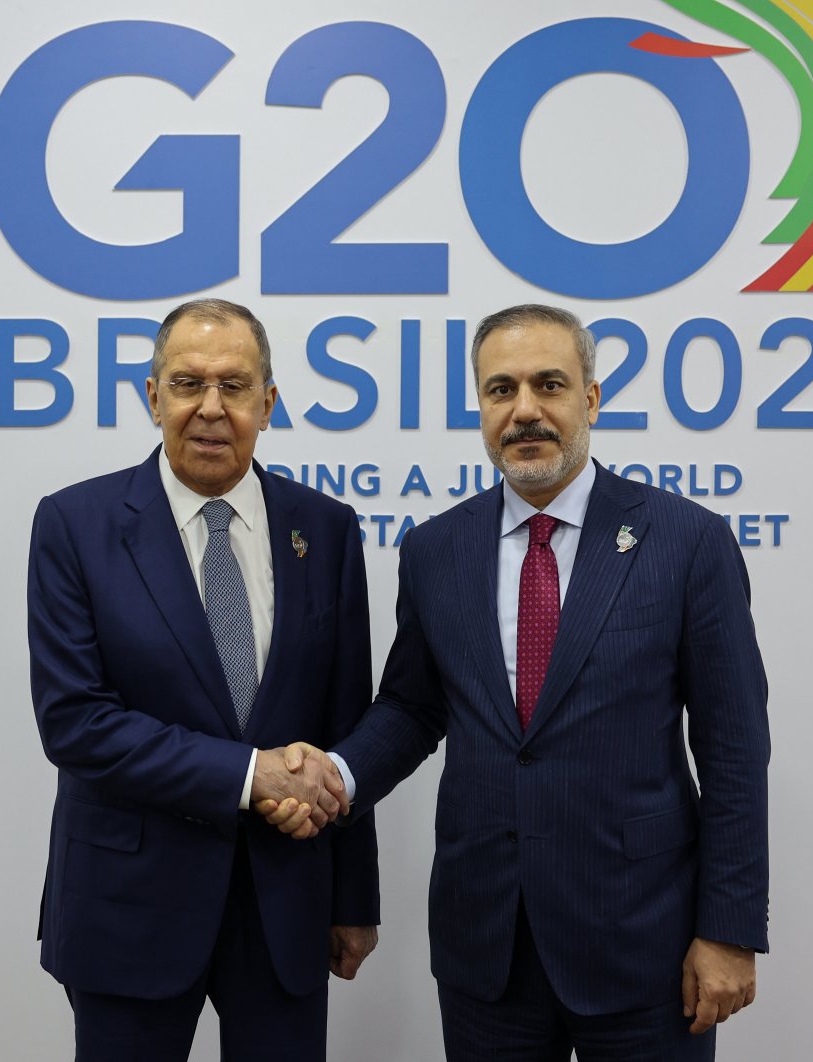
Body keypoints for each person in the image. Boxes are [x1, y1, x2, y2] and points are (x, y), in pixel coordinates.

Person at [264, 304, 769, 1060]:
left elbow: (733, 748)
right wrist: (334, 775)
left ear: (590, 400)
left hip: (643, 943)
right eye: (501, 389)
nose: (525, 410)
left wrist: (727, 931)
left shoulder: (687, 542)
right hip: (486, 943)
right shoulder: (436, 549)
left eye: (549, 385)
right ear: (481, 407)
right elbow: (412, 706)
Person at [28, 298, 378, 1061]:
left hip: (286, 903)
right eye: (187, 384)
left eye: (235, 386)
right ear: (153, 397)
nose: (211, 408)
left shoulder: (325, 527)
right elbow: (76, 722)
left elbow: (347, 723)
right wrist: (250, 775)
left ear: (269, 402)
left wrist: (353, 898)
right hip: (129, 908)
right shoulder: (76, 526)